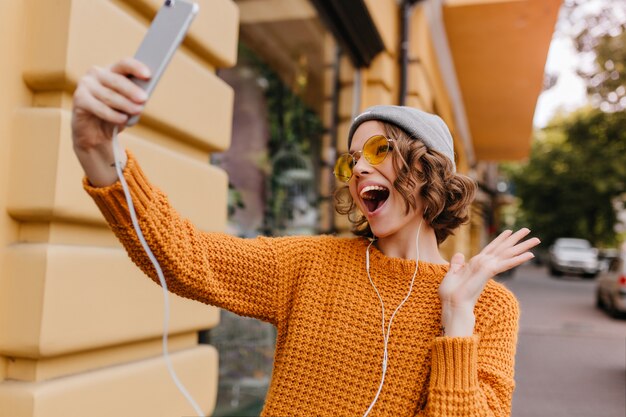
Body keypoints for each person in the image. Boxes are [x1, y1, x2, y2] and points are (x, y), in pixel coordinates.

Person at [72, 57, 540, 417]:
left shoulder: (489, 308)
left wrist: (457, 318)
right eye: (350, 159)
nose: (358, 168)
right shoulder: (310, 263)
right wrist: (98, 151)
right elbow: (182, 253)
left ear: (427, 167)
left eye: (379, 150)